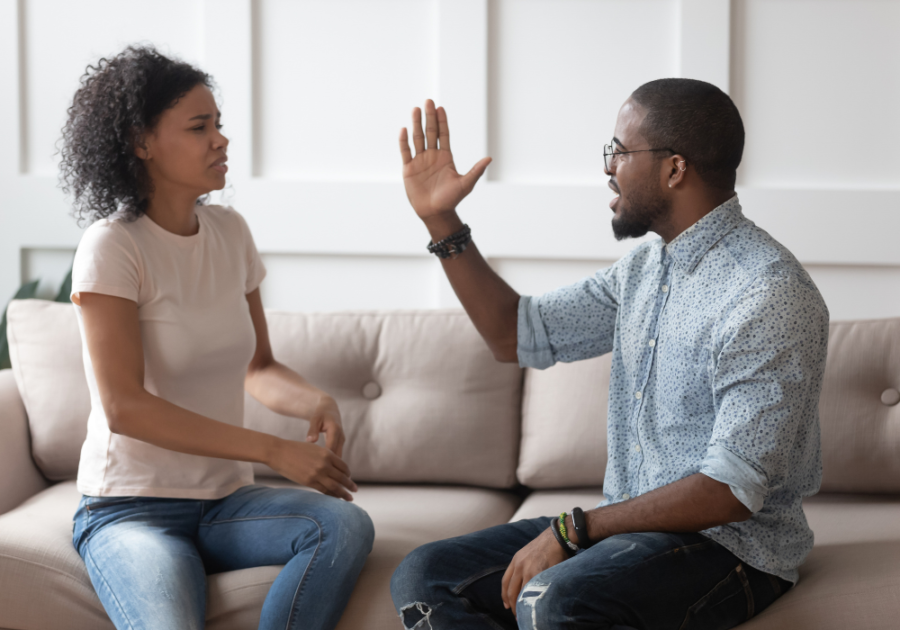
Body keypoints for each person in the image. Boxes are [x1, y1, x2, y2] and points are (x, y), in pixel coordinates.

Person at [390, 79, 829, 630]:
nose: (607, 166)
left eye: (619, 151)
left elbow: (731, 490)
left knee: (552, 600)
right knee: (424, 575)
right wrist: (440, 220)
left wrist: (575, 529)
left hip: (732, 549)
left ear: (674, 168)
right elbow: (514, 334)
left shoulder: (768, 293)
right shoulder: (643, 271)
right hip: (626, 535)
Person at [59, 46, 373, 630]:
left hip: (228, 505)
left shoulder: (230, 231)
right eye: (199, 127)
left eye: (218, 124)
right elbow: (124, 407)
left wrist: (316, 402)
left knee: (345, 524)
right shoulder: (113, 247)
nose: (220, 140)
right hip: (131, 511)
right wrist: (273, 449)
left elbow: (259, 366)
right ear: (141, 142)